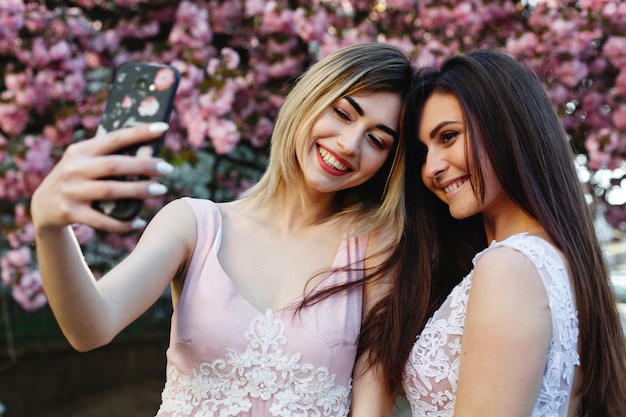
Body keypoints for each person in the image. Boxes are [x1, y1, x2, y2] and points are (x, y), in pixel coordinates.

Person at [30, 42, 413, 417]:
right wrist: (50, 228)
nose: (349, 144)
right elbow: (90, 328)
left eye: (376, 140)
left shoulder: (375, 250)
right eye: (344, 114)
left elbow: (371, 405)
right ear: (310, 99)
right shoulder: (193, 225)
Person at [371, 48, 626, 416]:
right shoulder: (555, 260)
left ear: (506, 128)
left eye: (448, 137)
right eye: (424, 152)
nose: (432, 168)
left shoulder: (509, 267)